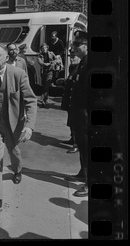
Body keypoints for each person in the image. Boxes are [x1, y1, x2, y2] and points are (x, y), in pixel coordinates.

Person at [0, 43, 37, 214]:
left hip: (13, 122)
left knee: (13, 150)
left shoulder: (18, 74)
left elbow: (31, 101)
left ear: (6, 57)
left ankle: (17, 170)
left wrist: (29, 126)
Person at [64, 30, 88, 197]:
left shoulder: (91, 63)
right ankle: (83, 173)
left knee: (88, 149)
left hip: (86, 114)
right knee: (82, 146)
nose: (73, 48)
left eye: (77, 45)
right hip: (79, 113)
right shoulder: (83, 62)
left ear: (86, 46)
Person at [59, 48, 81, 153]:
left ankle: (77, 144)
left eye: (74, 56)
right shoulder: (73, 67)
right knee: (71, 121)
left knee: (76, 122)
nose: (72, 58)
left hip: (76, 100)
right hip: (70, 100)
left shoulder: (80, 67)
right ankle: (73, 139)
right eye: (71, 56)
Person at [37, 43, 57, 108]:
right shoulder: (40, 55)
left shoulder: (51, 53)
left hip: (50, 71)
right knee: (45, 86)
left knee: (46, 86)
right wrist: (46, 64)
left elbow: (56, 59)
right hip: (43, 72)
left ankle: (43, 100)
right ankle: (46, 99)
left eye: (45, 48)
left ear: (47, 48)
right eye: (42, 48)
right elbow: (40, 62)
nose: (44, 49)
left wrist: (53, 63)